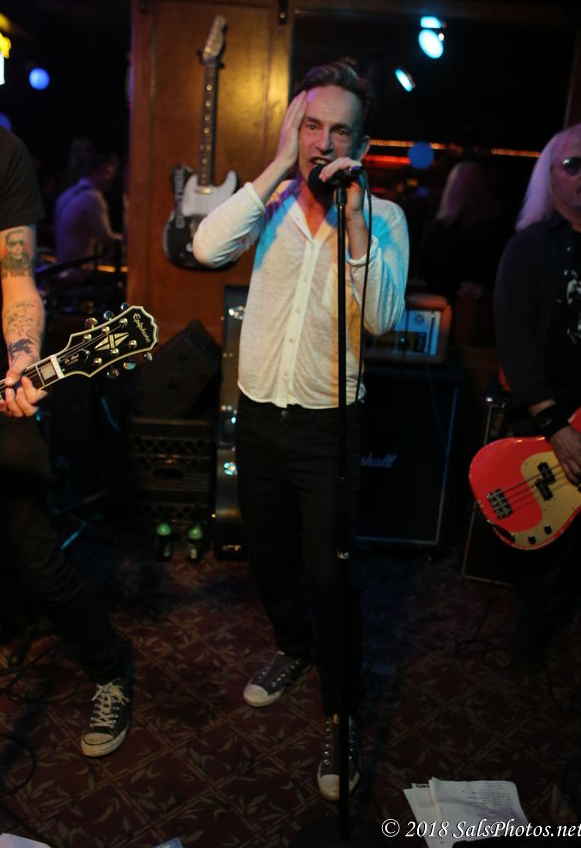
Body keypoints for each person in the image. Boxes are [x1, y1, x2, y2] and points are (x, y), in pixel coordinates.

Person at [193, 60, 408, 799]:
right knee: (266, 553)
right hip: (258, 415)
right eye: (311, 125)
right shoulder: (273, 201)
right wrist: (279, 163)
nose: (322, 141)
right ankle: (292, 646)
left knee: (330, 573)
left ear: (362, 144)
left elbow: (382, 319)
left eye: (338, 130)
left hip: (328, 428)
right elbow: (206, 249)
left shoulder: (383, 218)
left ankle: (341, 715)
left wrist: (354, 224)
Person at [0, 125, 131, 757]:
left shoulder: (4, 153)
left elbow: (16, 279)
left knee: (37, 559)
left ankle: (110, 668)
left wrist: (24, 357)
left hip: (2, 389)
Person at [494, 121, 581, 672]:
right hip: (550, 425)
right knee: (551, 555)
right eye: (573, 164)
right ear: (550, 180)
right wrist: (556, 426)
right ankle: (526, 658)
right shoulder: (530, 248)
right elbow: (514, 342)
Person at [418, 159, 514, 345]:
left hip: (448, 317)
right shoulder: (492, 231)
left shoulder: (438, 230)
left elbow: (423, 274)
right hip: (460, 319)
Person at [53, 152, 122, 277]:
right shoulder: (92, 198)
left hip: (62, 269)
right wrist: (130, 242)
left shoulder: (66, 194)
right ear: (94, 172)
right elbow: (106, 239)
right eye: (107, 173)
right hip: (79, 273)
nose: (110, 178)